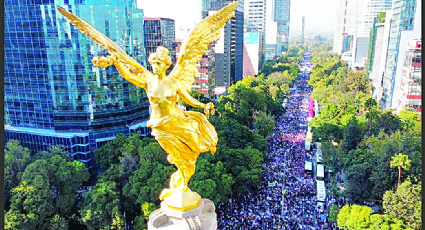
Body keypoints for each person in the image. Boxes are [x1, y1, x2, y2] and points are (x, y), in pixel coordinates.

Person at [93, 46, 217, 198]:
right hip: (160, 127)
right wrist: (116, 63)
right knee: (178, 155)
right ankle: (182, 182)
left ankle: (184, 179)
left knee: (195, 150)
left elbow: (188, 99)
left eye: (159, 63)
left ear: (166, 64)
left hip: (178, 122)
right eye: (153, 64)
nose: (155, 67)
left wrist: (203, 105)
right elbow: (129, 77)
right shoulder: (148, 83)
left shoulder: (174, 83)